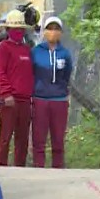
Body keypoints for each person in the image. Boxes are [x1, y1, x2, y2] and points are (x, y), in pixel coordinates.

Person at [31, 16, 73, 169]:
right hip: (40, 98)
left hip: (59, 100)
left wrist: (62, 90)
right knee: (39, 137)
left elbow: (67, 73)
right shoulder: (36, 52)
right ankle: (38, 167)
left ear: (61, 32)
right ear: (44, 31)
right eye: (50, 28)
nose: (53, 32)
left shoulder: (65, 53)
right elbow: (32, 72)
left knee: (58, 138)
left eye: (56, 29)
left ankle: (58, 168)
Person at [0, 10, 35, 167]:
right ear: (8, 30)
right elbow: (0, 72)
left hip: (25, 100)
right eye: (14, 29)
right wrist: (6, 94)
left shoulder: (26, 49)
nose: (18, 32)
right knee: (5, 136)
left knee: (22, 137)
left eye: (20, 29)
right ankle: (1, 165)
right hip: (9, 100)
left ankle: (20, 166)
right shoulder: (3, 48)